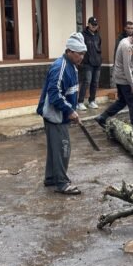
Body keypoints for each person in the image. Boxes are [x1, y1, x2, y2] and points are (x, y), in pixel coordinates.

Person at [37, 32, 87, 195]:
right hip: (55, 115)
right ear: (69, 51)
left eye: (83, 54)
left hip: (61, 115)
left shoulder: (72, 66)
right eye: (79, 53)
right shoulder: (61, 67)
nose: (81, 57)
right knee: (63, 148)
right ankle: (62, 183)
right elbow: (54, 94)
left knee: (55, 149)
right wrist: (69, 111)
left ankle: (51, 178)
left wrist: (72, 110)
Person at [95, 27, 133, 130]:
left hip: (121, 78)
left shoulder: (126, 42)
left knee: (122, 101)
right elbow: (127, 68)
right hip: (124, 80)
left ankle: (102, 117)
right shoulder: (127, 46)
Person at [77, 16, 102, 110]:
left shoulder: (97, 36)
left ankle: (92, 101)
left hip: (97, 63)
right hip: (87, 63)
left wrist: (100, 59)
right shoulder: (82, 35)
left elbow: (99, 48)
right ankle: (80, 102)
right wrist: (80, 61)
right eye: (92, 24)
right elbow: (79, 49)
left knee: (95, 82)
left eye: (96, 25)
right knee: (86, 82)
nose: (94, 26)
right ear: (88, 24)